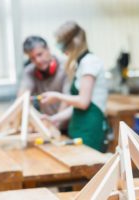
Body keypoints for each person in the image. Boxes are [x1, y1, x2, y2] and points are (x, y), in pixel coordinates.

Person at [40, 21, 108, 152]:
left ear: (73, 43)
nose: (59, 47)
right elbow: (77, 107)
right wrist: (53, 119)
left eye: (61, 43)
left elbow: (83, 102)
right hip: (78, 128)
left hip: (90, 130)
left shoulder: (90, 63)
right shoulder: (81, 64)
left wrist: (58, 96)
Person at [18, 36, 70, 129]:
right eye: (32, 58)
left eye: (39, 54)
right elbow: (22, 99)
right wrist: (38, 121)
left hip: (68, 125)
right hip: (48, 126)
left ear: (48, 49)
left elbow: (67, 101)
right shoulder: (29, 71)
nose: (37, 61)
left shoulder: (66, 66)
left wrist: (55, 124)